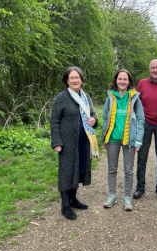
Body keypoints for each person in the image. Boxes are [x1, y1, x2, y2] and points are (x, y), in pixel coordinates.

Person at [50, 66, 99, 220]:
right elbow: (54, 120)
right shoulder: (61, 97)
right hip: (67, 142)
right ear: (67, 80)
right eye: (72, 78)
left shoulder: (86, 97)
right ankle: (65, 205)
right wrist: (57, 141)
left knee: (79, 170)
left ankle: (73, 199)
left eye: (77, 77)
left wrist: (94, 120)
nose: (75, 80)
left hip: (83, 141)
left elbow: (93, 114)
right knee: (66, 172)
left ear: (81, 80)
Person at [101, 69, 145, 211]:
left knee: (128, 170)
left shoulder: (134, 98)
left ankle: (127, 197)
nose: (122, 81)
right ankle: (112, 195)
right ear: (116, 80)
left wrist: (138, 140)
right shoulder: (110, 97)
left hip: (129, 140)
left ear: (129, 82)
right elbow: (105, 118)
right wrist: (103, 137)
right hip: (112, 139)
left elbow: (140, 119)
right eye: (120, 79)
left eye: (125, 79)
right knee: (112, 169)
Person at [133, 59, 157, 200]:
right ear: (149, 70)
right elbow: (135, 103)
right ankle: (140, 187)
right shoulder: (142, 83)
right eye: (153, 68)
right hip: (145, 124)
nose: (155, 70)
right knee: (142, 157)